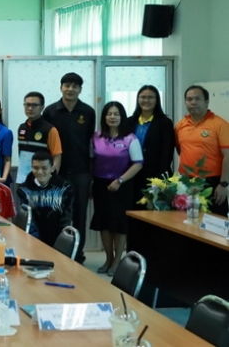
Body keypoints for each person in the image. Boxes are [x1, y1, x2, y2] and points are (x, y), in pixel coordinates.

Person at [42, 72, 96, 263]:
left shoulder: (88, 112)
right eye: (67, 85)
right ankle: (57, 252)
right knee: (56, 213)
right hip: (57, 172)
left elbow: (91, 144)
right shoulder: (50, 111)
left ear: (80, 89)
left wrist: (92, 174)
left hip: (82, 172)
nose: (70, 89)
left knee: (80, 215)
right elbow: (46, 144)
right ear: (61, 88)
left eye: (75, 86)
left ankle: (78, 254)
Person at [91, 101, 143, 276]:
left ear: (122, 117)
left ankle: (117, 261)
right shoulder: (96, 137)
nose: (112, 117)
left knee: (119, 225)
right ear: (104, 117)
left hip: (122, 185)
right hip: (100, 185)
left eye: (116, 114)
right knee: (104, 224)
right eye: (109, 114)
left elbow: (138, 164)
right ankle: (109, 258)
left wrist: (120, 180)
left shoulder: (130, 138)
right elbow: (91, 160)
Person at [175, 85, 229, 215]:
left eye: (197, 99)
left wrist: (223, 184)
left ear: (206, 102)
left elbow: (228, 156)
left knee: (215, 224)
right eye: (189, 99)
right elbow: (180, 150)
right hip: (186, 183)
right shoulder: (180, 125)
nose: (193, 102)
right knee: (186, 222)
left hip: (213, 184)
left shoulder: (220, 124)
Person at [127, 85, 175, 209]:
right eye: (143, 97)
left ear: (157, 100)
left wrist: (159, 180)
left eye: (150, 97)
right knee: (133, 212)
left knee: (154, 213)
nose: (146, 100)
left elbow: (167, 153)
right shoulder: (129, 122)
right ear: (138, 99)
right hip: (133, 176)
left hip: (156, 176)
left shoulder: (165, 123)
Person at [17, 151, 74, 249]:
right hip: (33, 244)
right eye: (36, 168)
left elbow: (66, 219)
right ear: (31, 167)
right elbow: (28, 221)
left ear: (52, 168)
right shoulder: (24, 190)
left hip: (58, 243)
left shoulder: (65, 188)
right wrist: (36, 245)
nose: (40, 172)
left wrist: (60, 244)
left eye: (44, 168)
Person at [17, 92, 62, 186]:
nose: (30, 108)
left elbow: (57, 156)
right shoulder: (22, 128)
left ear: (42, 107)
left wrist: (53, 178)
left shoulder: (50, 130)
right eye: (27, 105)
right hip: (24, 178)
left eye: (34, 105)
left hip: (43, 179)